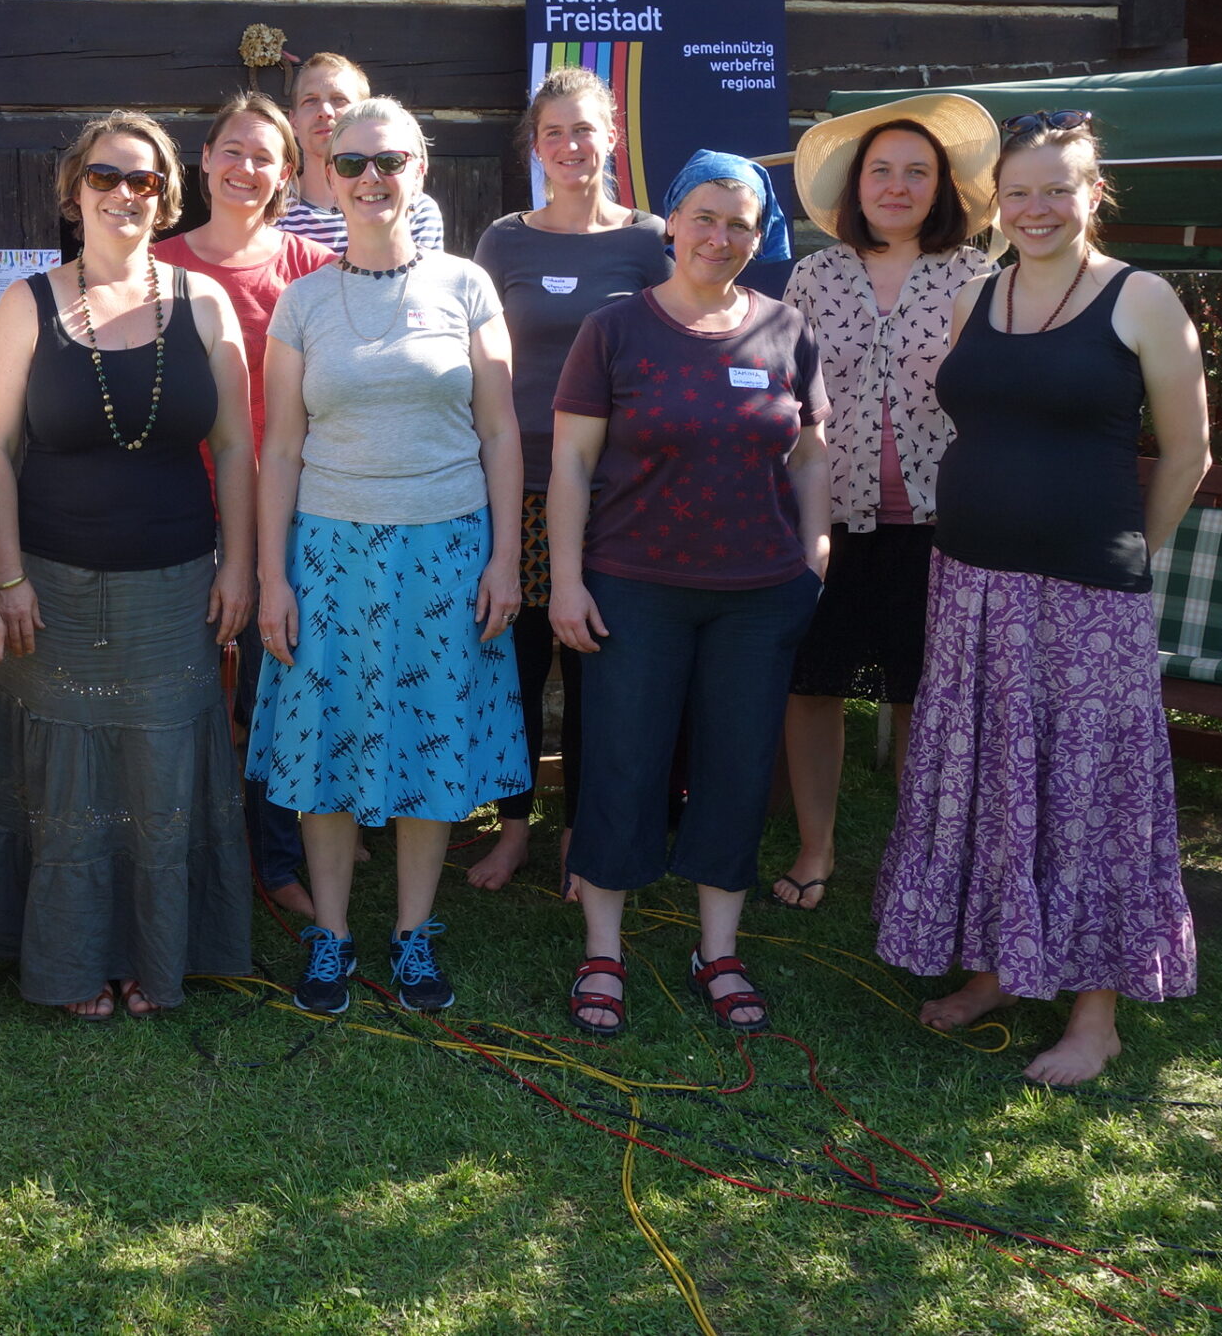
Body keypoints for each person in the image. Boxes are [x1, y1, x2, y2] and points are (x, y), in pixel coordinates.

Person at [873, 110, 1210, 1086]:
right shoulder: (973, 298)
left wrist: (1128, 552)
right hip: (970, 583)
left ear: (1091, 193)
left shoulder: (1141, 299)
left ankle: (1094, 1017)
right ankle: (994, 968)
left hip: (1085, 598)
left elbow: (1188, 452)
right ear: (995, 201)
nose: (1035, 207)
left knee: (1086, 796)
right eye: (1016, 190)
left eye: (1056, 188)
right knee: (985, 781)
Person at [0, 110, 258, 1018]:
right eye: (106, 177)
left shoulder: (204, 305)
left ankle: (152, 953)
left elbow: (237, 449)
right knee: (64, 779)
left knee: (162, 771)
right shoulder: (26, 304)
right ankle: (68, 951)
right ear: (73, 190)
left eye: (146, 180)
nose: (126, 194)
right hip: (54, 590)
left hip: (176, 588)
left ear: (167, 195)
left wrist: (237, 565)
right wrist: (4, 576)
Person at [252, 96, 530, 1015]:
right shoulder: (300, 301)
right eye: (353, 163)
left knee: (433, 739)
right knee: (326, 741)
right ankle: (330, 935)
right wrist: (270, 574)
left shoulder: (467, 287)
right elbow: (281, 448)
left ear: (421, 169)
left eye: (392, 161)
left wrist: (503, 560)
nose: (373, 178)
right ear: (326, 177)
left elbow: (500, 431)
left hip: (448, 549)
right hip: (328, 552)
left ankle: (414, 933)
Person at [546, 152, 830, 1040]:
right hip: (635, 586)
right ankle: (603, 948)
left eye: (739, 223)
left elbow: (814, 450)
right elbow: (571, 463)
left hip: (757, 593)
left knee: (738, 768)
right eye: (704, 217)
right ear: (671, 222)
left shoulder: (786, 329)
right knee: (622, 762)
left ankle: (719, 948)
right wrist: (564, 578)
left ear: (759, 235)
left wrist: (814, 555)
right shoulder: (616, 329)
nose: (719, 236)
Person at [770, 98, 999, 913]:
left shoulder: (977, 276)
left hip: (944, 526)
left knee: (921, 692)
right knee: (814, 683)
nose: (896, 187)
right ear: (855, 188)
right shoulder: (813, 274)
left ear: (941, 189)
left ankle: (918, 860)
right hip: (829, 520)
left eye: (916, 172)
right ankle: (816, 845)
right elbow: (793, 406)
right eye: (881, 171)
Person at [464, 67, 668, 894]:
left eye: (584, 130)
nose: (569, 147)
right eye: (553, 133)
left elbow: (670, 352)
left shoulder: (650, 239)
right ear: (535, 146)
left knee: (595, 668)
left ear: (611, 135)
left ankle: (581, 831)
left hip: (614, 495)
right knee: (514, 662)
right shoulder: (504, 241)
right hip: (515, 487)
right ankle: (512, 830)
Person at [155, 92, 334, 920]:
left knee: (273, 691)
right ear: (204, 159)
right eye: (233, 149)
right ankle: (180, 858)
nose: (245, 167)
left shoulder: (307, 268)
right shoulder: (155, 262)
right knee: (180, 692)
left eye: (265, 156)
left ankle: (276, 857)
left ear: (287, 175)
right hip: (173, 506)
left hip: (283, 510)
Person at [277, 53, 445, 254]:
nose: (325, 111)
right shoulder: (271, 211)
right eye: (310, 100)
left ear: (363, 113)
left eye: (339, 99)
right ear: (293, 121)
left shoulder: (413, 208)